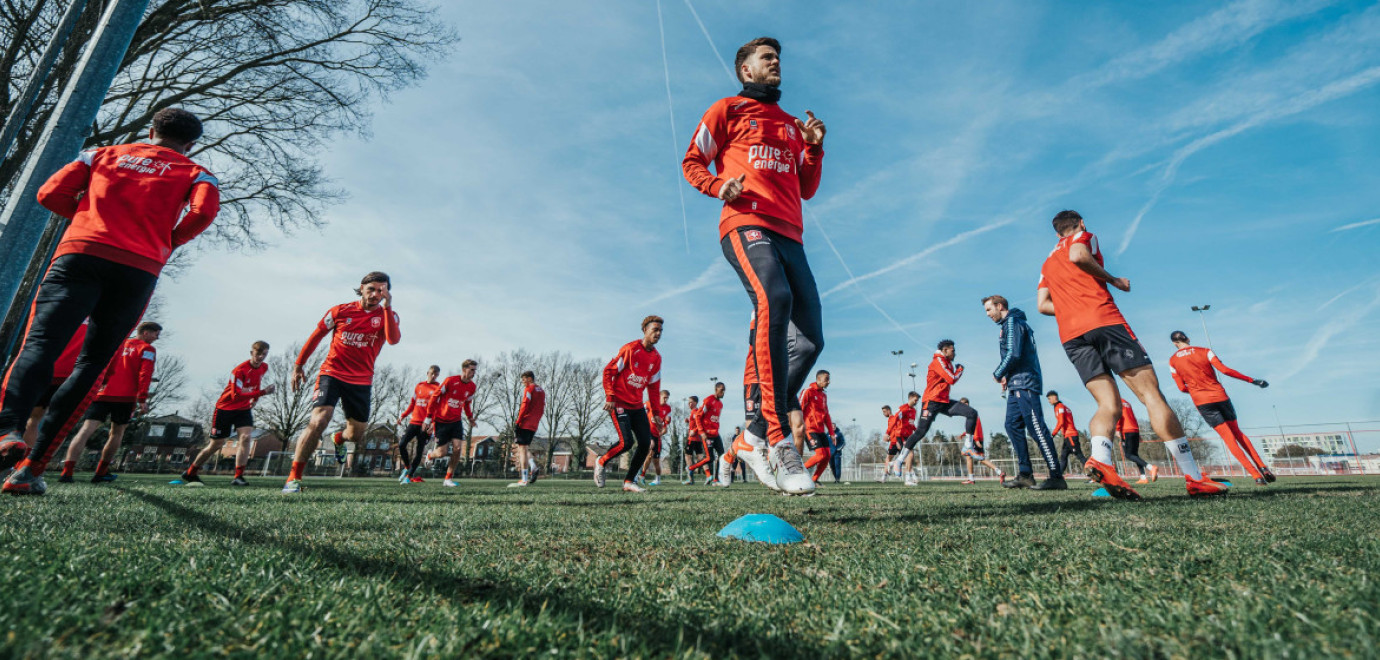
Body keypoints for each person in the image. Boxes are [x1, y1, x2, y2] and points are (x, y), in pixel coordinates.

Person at [0, 108, 219, 495]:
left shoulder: (100, 154)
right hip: (139, 267)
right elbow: (203, 212)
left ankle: (7, 431)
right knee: (92, 363)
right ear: (189, 144)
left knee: (39, 344)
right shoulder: (196, 172)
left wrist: (84, 218)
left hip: (80, 254)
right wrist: (169, 241)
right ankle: (31, 468)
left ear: (151, 131)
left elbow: (49, 193)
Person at [682, 36, 826, 496]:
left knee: (809, 341)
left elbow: (807, 188)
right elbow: (691, 161)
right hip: (746, 223)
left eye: (778, 57)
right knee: (773, 298)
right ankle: (780, 443)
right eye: (767, 58)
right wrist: (717, 185)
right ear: (746, 70)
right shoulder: (726, 109)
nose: (776, 62)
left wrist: (814, 150)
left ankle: (751, 436)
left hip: (792, 235)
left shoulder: (789, 123)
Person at [1037, 210, 1224, 498]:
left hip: (1072, 336)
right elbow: (1077, 255)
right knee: (1151, 396)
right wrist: (1114, 281)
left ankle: (1100, 460)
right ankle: (1194, 477)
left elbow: (1043, 305)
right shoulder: (1084, 236)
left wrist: (1073, 308)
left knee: (1107, 404)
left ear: (1055, 232)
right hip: (1105, 323)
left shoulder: (1047, 263)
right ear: (1081, 223)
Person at [281, 272, 400, 494]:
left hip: (361, 381)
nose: (376, 294)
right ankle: (294, 477)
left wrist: (388, 306)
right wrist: (299, 365)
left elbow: (393, 340)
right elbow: (316, 336)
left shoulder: (388, 315)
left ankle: (338, 438)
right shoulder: (339, 311)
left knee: (355, 435)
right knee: (319, 420)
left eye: (381, 291)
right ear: (362, 288)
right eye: (372, 289)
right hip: (332, 374)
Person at [56, 322, 161, 483]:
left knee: (86, 430)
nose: (157, 338)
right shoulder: (147, 349)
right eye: (156, 334)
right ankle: (100, 472)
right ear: (146, 332)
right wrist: (143, 398)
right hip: (125, 397)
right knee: (117, 433)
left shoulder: (118, 344)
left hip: (101, 393)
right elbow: (145, 373)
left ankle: (67, 472)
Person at [982, 295, 1065, 490]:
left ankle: (1056, 476)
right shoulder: (1009, 324)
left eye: (988, 310)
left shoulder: (1012, 322)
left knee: (1035, 426)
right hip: (1015, 383)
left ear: (1000, 306)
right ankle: (1026, 474)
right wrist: (1007, 377)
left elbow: (1014, 353)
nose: (987, 315)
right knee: (1012, 425)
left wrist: (998, 373)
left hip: (1025, 382)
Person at [1168, 331, 1273, 484]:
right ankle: (1263, 467)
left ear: (1174, 343)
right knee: (1237, 432)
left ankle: (1256, 476)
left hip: (1202, 402)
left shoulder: (1172, 361)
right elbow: (1225, 370)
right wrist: (1252, 380)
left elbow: (1181, 388)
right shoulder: (1205, 351)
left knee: (1228, 439)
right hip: (1220, 396)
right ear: (1188, 339)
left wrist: (1194, 388)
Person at [178, 341, 276, 487]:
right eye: (258, 353)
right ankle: (191, 471)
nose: (261, 357)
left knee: (246, 437)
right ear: (251, 353)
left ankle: (238, 477)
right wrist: (262, 393)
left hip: (243, 410)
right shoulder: (239, 371)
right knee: (216, 444)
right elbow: (236, 395)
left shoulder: (264, 367)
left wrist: (254, 398)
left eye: (264, 354)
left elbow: (256, 382)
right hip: (225, 409)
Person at [892, 341, 978, 486]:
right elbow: (952, 378)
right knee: (920, 432)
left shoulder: (947, 362)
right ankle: (899, 460)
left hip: (943, 402)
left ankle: (968, 445)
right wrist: (960, 370)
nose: (955, 353)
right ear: (945, 350)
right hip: (931, 402)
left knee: (971, 413)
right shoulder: (938, 361)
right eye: (952, 350)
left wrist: (956, 369)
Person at [594, 316, 663, 493]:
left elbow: (654, 388)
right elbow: (608, 372)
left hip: (637, 405)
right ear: (645, 330)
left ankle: (629, 481)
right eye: (655, 329)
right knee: (626, 442)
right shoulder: (630, 349)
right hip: (619, 403)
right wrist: (610, 396)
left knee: (645, 443)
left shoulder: (656, 358)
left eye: (660, 331)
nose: (658, 333)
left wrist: (656, 413)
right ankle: (601, 461)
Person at [425, 360, 478, 488]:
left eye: (475, 370)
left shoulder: (472, 387)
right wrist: (428, 418)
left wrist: (470, 418)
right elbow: (434, 398)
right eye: (472, 370)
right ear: (464, 369)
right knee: (442, 453)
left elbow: (466, 404)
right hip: (441, 421)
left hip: (456, 421)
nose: (474, 373)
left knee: (458, 448)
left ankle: (448, 479)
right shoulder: (450, 381)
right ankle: (430, 455)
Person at [397, 365, 441, 484]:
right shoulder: (419, 386)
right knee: (402, 444)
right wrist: (403, 415)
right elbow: (412, 403)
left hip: (425, 425)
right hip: (414, 422)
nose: (433, 376)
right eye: (432, 373)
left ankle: (409, 476)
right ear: (428, 373)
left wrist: (433, 423)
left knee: (419, 450)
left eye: (436, 375)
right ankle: (407, 467)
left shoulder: (438, 388)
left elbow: (438, 408)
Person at [509, 370, 546, 487]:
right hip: (534, 424)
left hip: (525, 423)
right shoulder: (542, 391)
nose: (522, 382)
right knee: (522, 447)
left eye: (524, 379)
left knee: (522, 450)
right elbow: (542, 408)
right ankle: (533, 466)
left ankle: (524, 479)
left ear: (529, 379)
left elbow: (524, 405)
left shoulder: (529, 389)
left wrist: (518, 421)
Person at [799, 370, 836, 484]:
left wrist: (832, 433)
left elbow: (826, 415)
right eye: (826, 379)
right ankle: (798, 474)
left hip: (821, 430)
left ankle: (814, 480)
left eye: (829, 379)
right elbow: (799, 408)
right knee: (820, 455)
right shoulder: (808, 391)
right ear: (818, 379)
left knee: (827, 455)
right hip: (809, 429)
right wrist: (797, 426)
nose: (828, 382)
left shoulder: (823, 396)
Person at [957, 398, 1005, 485]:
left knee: (980, 459)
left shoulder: (972, 414)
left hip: (975, 440)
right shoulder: (969, 414)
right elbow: (971, 429)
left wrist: (977, 440)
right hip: (975, 439)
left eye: (962, 404)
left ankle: (999, 472)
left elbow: (976, 428)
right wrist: (963, 434)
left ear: (966, 404)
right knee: (969, 457)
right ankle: (971, 478)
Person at [1117, 397, 1157, 484]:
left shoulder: (1116, 401)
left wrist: (1117, 429)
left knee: (1128, 454)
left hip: (1126, 430)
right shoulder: (1126, 402)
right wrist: (1137, 432)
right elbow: (1132, 417)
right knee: (1135, 455)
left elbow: (1118, 415)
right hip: (1134, 429)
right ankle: (1143, 477)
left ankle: (1150, 467)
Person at [1047, 391, 1087, 474]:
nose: (1049, 401)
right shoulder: (1063, 407)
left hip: (1070, 435)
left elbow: (1060, 422)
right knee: (1063, 457)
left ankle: (1095, 474)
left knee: (1079, 455)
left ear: (1055, 397)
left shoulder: (1060, 407)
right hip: (1067, 437)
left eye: (1049, 399)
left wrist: (1053, 434)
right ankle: (1059, 476)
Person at [642, 390, 672, 486]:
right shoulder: (650, 403)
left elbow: (666, 427)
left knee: (656, 461)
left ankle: (657, 480)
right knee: (650, 452)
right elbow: (639, 409)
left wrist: (662, 430)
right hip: (648, 431)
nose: (666, 400)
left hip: (657, 435)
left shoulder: (667, 408)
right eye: (664, 397)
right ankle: (641, 476)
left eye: (667, 398)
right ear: (659, 397)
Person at [700, 382, 726, 485]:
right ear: (716, 390)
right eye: (721, 390)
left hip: (715, 434)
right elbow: (698, 416)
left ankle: (716, 479)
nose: (723, 392)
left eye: (724, 390)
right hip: (707, 434)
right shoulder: (708, 400)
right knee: (710, 458)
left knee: (722, 456)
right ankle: (692, 468)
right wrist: (702, 432)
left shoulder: (720, 404)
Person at [683, 395, 707, 484]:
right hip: (698, 439)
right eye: (688, 402)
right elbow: (696, 422)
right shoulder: (694, 412)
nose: (689, 404)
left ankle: (690, 478)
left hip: (692, 438)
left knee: (687, 456)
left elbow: (700, 423)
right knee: (700, 457)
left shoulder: (695, 412)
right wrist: (688, 421)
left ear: (695, 403)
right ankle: (708, 476)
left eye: (691, 402)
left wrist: (694, 430)